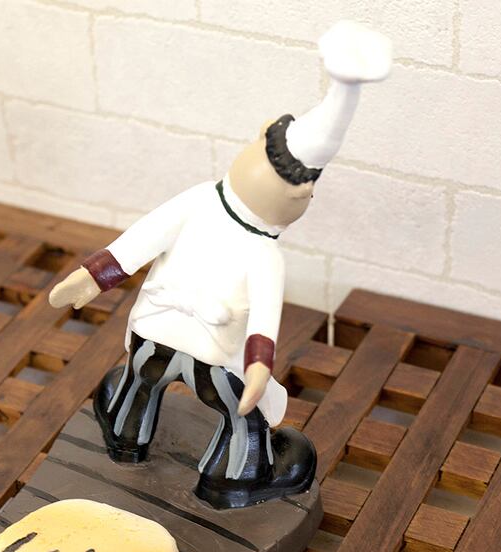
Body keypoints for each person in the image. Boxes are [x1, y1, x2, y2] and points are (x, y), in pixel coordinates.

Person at [50, 21, 392, 509]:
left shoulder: (207, 206)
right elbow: (259, 321)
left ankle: (127, 432)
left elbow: (142, 241)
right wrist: (257, 369)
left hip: (157, 337)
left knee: (140, 377)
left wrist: (94, 276)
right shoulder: (258, 248)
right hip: (214, 359)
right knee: (241, 416)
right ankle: (234, 477)